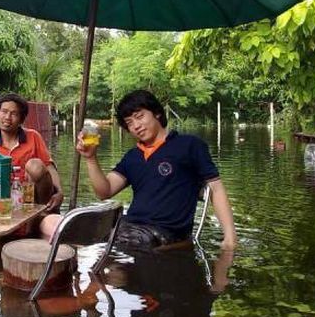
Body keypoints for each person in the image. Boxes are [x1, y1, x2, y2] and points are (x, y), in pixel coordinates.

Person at [76, 89, 237, 250]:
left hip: (165, 233)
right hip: (130, 227)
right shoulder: (133, 157)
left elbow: (216, 189)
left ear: (157, 113)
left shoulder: (189, 146)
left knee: (119, 242)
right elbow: (105, 191)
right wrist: (90, 158)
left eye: (139, 117)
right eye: (129, 122)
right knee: (80, 231)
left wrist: (230, 238)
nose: (136, 126)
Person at [0, 93, 63, 213]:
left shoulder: (33, 136)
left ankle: (44, 211)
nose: (8, 117)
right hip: (2, 197)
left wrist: (60, 192)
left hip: (33, 196)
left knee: (35, 165)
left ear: (21, 119)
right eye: (4, 111)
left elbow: (49, 166)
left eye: (14, 114)